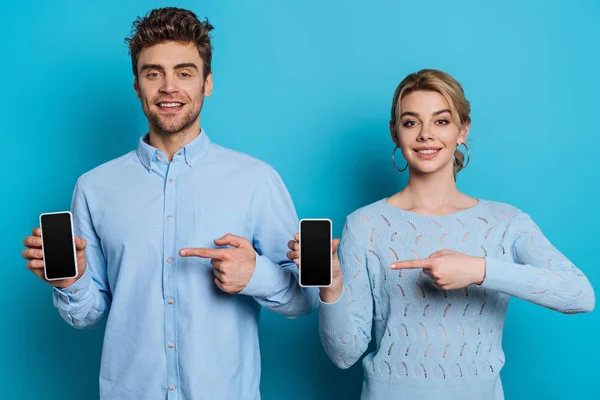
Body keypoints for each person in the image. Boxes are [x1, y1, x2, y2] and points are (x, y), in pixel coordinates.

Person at [21, 7, 318, 400]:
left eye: (184, 72)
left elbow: (307, 297)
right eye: (153, 73)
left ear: (207, 83)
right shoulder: (94, 188)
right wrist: (70, 282)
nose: (168, 87)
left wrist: (256, 275)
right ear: (137, 85)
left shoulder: (256, 180)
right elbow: (87, 314)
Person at [287, 69, 595, 399]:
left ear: (463, 129)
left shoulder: (506, 221)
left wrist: (479, 270)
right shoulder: (364, 224)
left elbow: (580, 295)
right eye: (410, 122)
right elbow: (343, 354)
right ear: (395, 133)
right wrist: (331, 288)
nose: (425, 134)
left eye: (441, 121)